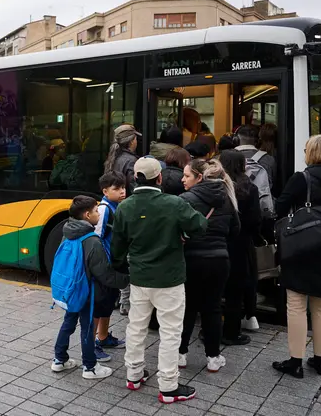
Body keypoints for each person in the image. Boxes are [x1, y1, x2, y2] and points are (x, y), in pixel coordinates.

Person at [111, 157, 207, 404]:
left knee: (136, 327)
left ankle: (133, 374)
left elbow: (118, 248)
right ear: (160, 178)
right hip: (169, 278)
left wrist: (120, 266)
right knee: (171, 332)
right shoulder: (174, 203)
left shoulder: (125, 207)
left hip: (139, 278)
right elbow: (200, 225)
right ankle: (168, 386)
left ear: (135, 178)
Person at [272, 135, 321, 378]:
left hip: (302, 246)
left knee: (296, 303)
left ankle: (295, 361)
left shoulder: (303, 178)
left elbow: (280, 207)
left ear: (313, 153)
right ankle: (320, 360)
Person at [52, 195, 130, 379]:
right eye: (96, 211)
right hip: (87, 291)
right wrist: (127, 279)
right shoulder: (92, 240)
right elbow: (105, 274)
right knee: (87, 328)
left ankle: (59, 359)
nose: (98, 213)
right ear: (87, 215)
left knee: (68, 322)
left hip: (70, 288)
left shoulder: (68, 232)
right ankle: (90, 367)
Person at [178, 159, 240, 373]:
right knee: (212, 308)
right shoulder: (227, 199)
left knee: (187, 307)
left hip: (190, 260)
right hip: (219, 260)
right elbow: (235, 230)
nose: (182, 179)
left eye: (186, 176)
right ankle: (213, 357)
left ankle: (180, 354)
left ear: (199, 177)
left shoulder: (185, 199)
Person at [219, 150, 262, 344]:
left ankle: (209, 330)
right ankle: (231, 332)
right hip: (241, 244)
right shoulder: (249, 188)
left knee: (214, 290)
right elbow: (255, 220)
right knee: (235, 292)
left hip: (217, 242)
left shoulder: (215, 186)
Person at [104, 124, 141, 316]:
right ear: (131, 141)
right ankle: (126, 301)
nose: (137, 141)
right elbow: (135, 189)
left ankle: (119, 296)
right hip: (127, 212)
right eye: (136, 138)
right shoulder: (131, 162)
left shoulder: (114, 159)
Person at [93, 171, 127, 363]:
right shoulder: (105, 209)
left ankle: (104, 337)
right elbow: (96, 237)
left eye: (123, 187)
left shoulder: (118, 205)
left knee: (108, 303)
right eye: (117, 189)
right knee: (99, 305)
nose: (122, 191)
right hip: (105, 266)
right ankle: (92, 345)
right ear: (105, 191)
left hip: (115, 264)